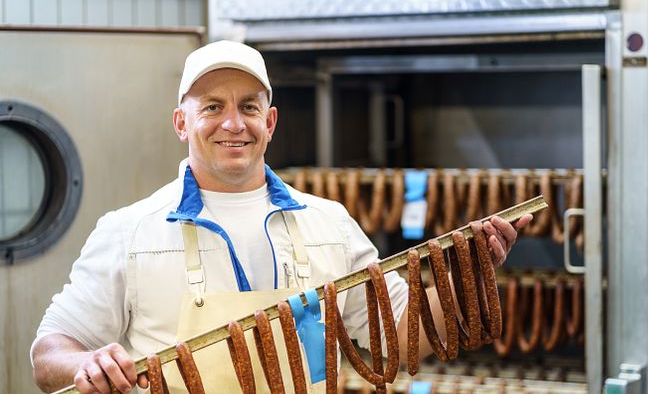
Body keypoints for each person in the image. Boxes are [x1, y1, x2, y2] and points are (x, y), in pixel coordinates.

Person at [31, 40, 532, 393]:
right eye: (212, 107)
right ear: (182, 122)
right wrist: (85, 363)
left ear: (269, 122)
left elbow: (397, 344)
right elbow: (47, 355)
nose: (234, 123)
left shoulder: (328, 223)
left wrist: (470, 278)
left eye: (249, 107)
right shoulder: (129, 231)